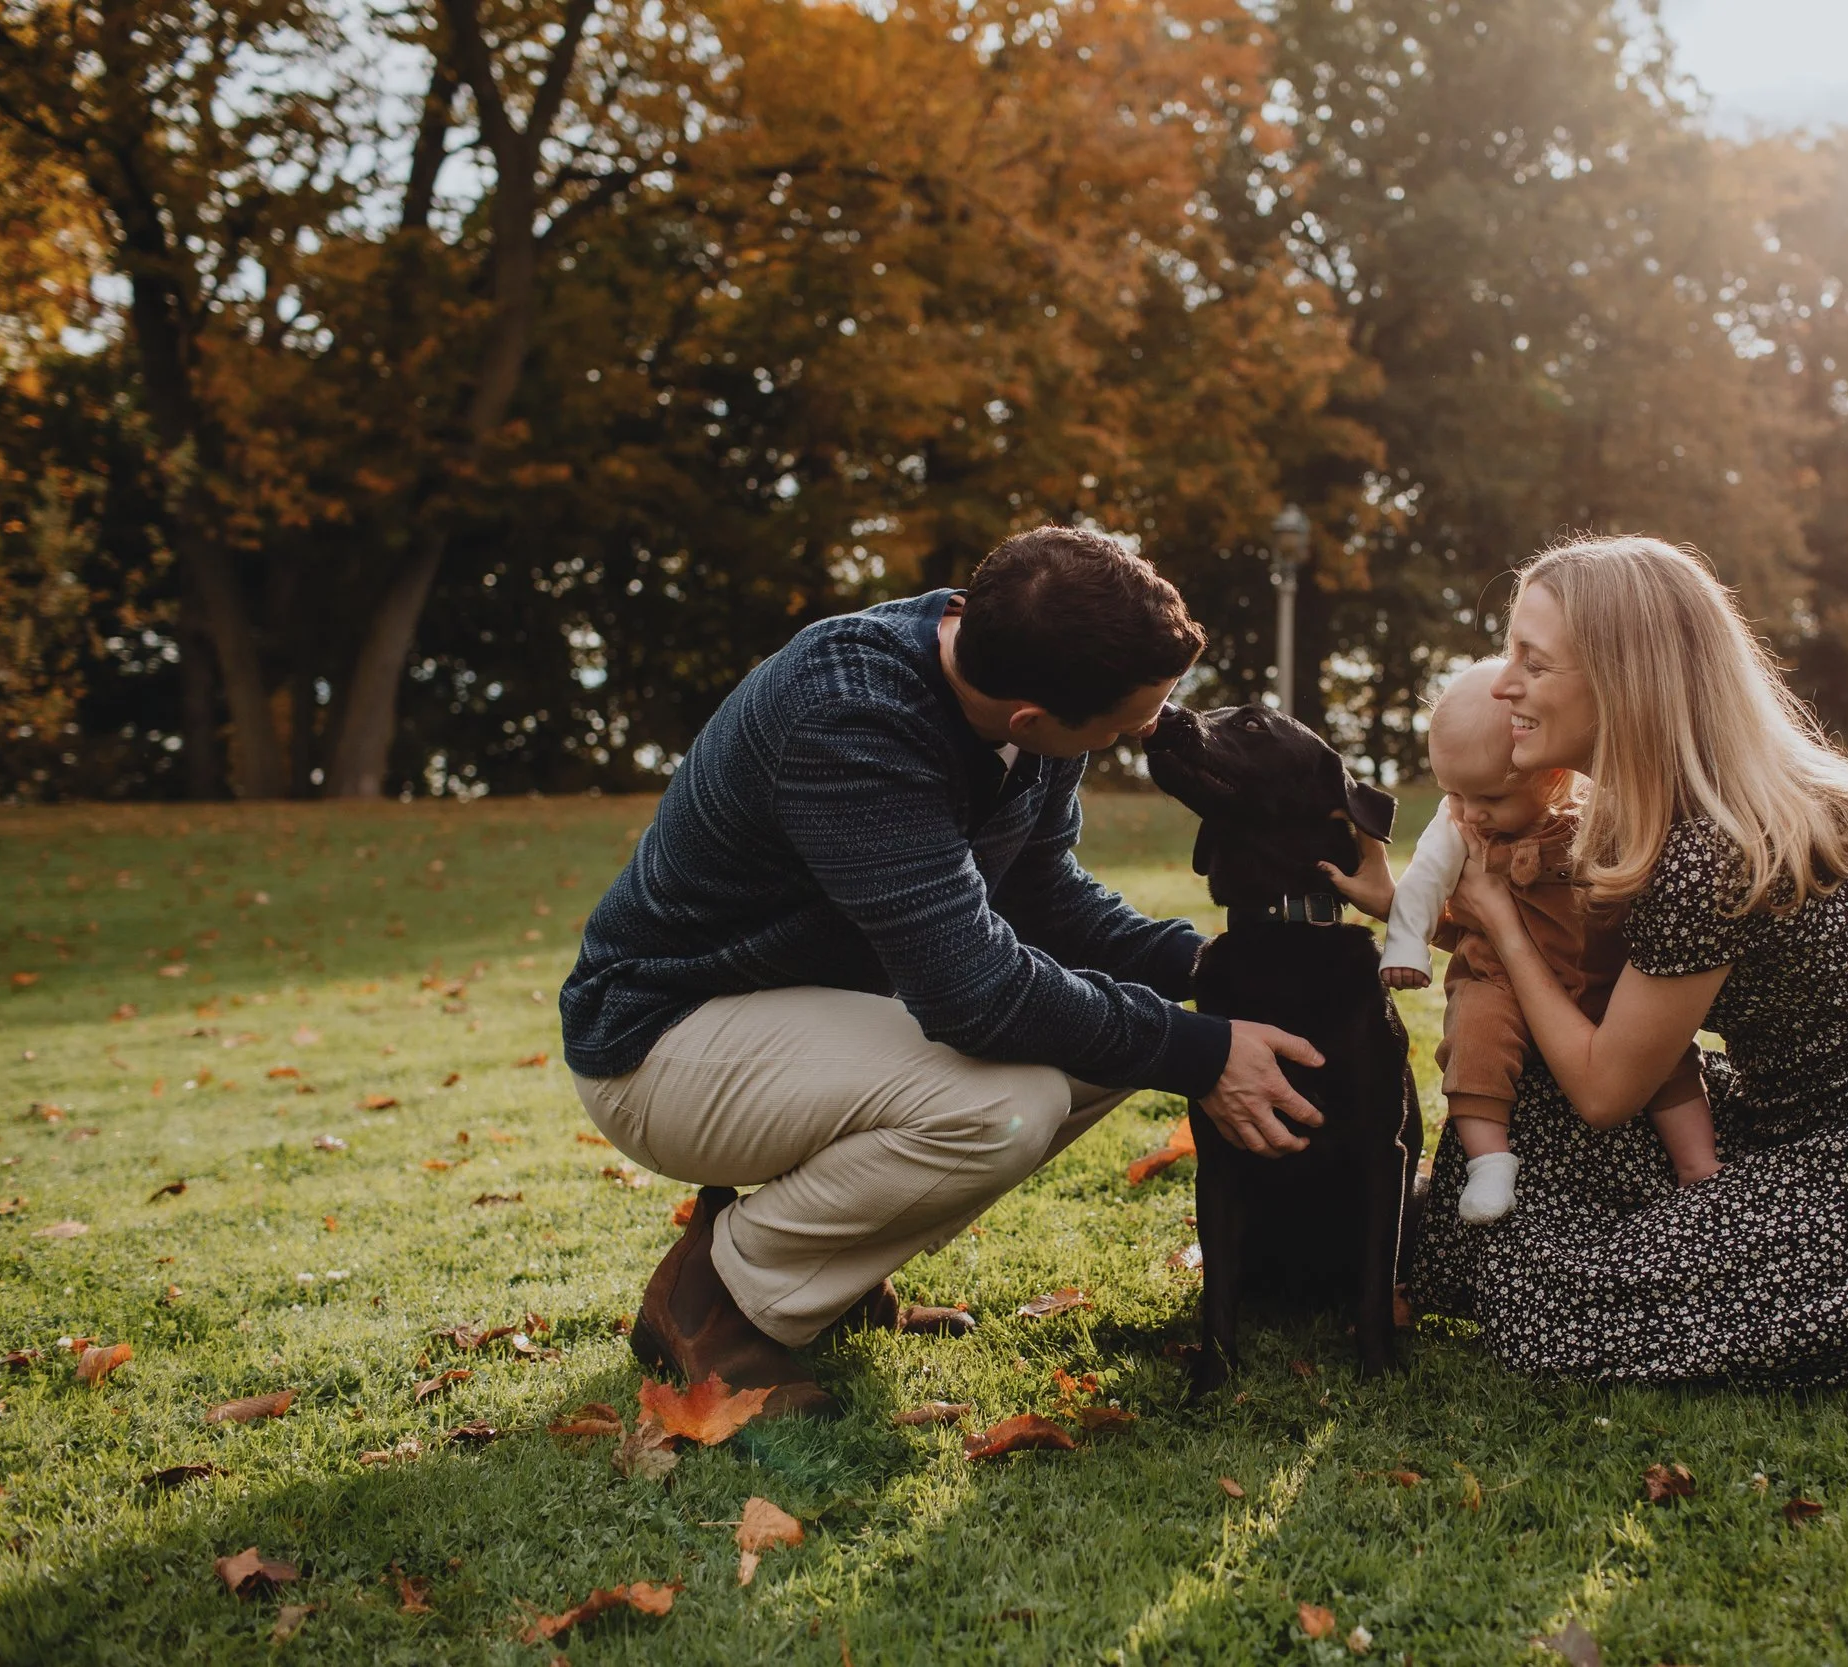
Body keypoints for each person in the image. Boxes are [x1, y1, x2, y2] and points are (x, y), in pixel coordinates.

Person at [560, 527, 1326, 1417]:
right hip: (662, 1041)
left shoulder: (1032, 675)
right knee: (1007, 1106)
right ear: (1033, 723)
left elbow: (1043, 899)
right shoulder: (850, 718)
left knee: (1125, 1025)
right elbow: (977, 994)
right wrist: (1199, 1049)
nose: (1147, 731)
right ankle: (717, 1301)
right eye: (1124, 726)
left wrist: (1216, 968)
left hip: (813, 1021)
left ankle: (831, 1284)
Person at [1409, 536, 1848, 1392]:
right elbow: (1583, 1013)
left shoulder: (1710, 848)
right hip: (1783, 1125)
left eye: (1533, 661)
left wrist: (1502, 930)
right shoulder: (1659, 804)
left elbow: (1605, 1088)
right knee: (1535, 1103)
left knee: (1542, 1300)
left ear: (1623, 680)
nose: (1503, 680)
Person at [1320, 660, 1715, 1226]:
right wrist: (1404, 942)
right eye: (1452, 794)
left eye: (1488, 798)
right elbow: (1429, 887)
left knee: (1664, 1059)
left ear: (1552, 778)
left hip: (1601, 978)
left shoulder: (1601, 817)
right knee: (1473, 1034)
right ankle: (1489, 1161)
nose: (1469, 813)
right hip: (1499, 978)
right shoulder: (1460, 824)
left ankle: (1699, 1167)